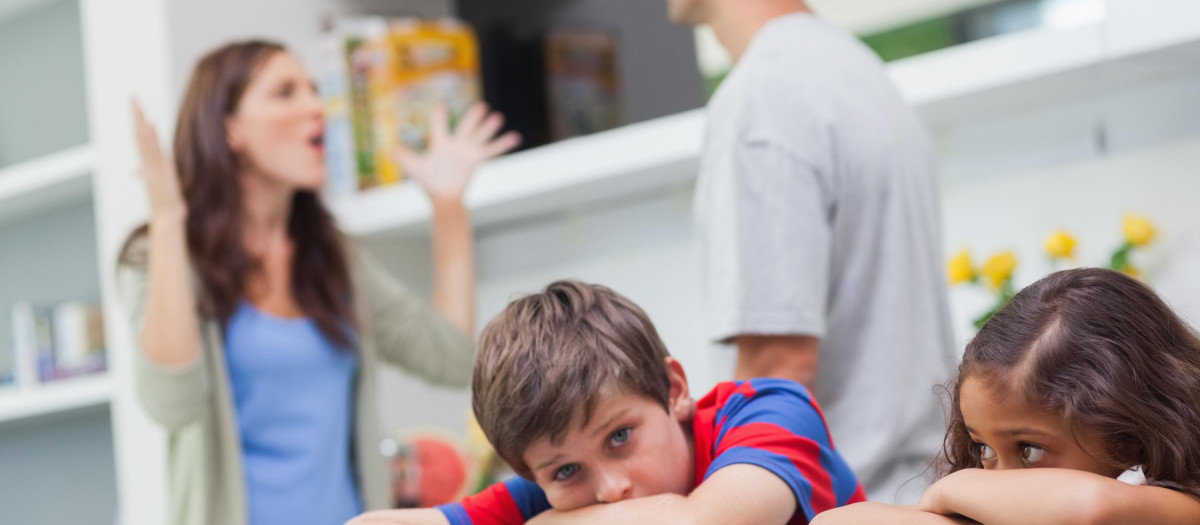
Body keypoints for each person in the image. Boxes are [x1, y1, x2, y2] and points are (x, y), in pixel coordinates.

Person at [117, 40, 520, 525]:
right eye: (285, 92)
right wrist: (167, 221)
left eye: (313, 90)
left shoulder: (335, 259)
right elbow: (171, 404)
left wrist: (448, 207)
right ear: (230, 129)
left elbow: (453, 360)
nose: (314, 105)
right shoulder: (157, 257)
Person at [666, 0, 957, 501]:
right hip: (916, 492)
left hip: (841, 506)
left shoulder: (766, 97)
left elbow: (777, 365)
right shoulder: (856, 70)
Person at [348, 280, 865, 525]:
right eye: (567, 469)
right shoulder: (552, 494)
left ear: (674, 390)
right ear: (527, 472)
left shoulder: (768, 412)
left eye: (619, 437)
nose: (611, 489)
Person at [814, 268, 1200, 524]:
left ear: (1127, 433)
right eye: (984, 449)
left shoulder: (1181, 507)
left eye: (1029, 450)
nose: (997, 476)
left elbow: (1088, 507)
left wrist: (952, 489)